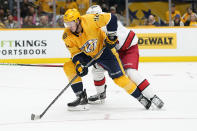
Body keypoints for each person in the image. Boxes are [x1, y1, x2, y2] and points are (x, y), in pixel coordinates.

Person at [62, 8, 152, 111]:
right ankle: (80, 96)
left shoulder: (90, 20)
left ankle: (140, 98)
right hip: (88, 55)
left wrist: (112, 36)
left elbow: (111, 18)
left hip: (105, 52)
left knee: (119, 79)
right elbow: (75, 53)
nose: (69, 26)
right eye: (66, 24)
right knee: (69, 66)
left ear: (77, 20)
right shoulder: (66, 36)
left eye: (70, 23)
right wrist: (79, 64)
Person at [86, 5, 164, 109]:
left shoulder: (105, 22)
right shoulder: (95, 24)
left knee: (131, 72)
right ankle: (101, 95)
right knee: (96, 70)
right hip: (113, 52)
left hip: (127, 49)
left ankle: (152, 96)